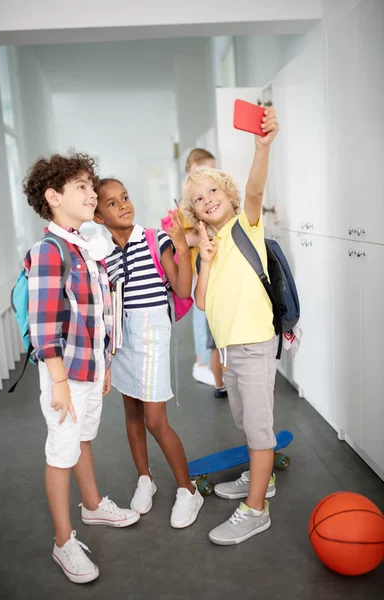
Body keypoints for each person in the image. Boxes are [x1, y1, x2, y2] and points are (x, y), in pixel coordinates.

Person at [23, 153, 139, 584]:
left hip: (90, 370)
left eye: (92, 186)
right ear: (53, 197)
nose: (92, 194)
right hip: (64, 376)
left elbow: (98, 312)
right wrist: (58, 382)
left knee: (83, 439)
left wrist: (104, 364)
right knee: (61, 452)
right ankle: (62, 541)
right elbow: (45, 324)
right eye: (81, 188)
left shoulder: (84, 246)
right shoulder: (49, 251)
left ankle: (92, 507)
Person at [181, 107, 280, 545]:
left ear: (229, 193)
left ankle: (256, 509)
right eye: (198, 199)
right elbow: (201, 302)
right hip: (231, 349)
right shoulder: (212, 244)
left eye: (212, 191)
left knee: (259, 429)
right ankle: (265, 480)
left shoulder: (246, 224)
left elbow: (256, 187)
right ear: (196, 213)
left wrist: (262, 148)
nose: (206, 200)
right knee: (244, 418)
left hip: (256, 343)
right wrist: (204, 259)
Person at [93, 178, 204, 528]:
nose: (123, 205)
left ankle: (188, 490)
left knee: (155, 419)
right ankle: (146, 478)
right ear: (98, 216)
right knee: (131, 411)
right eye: (112, 203)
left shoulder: (155, 240)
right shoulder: (104, 254)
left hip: (153, 335)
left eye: (125, 197)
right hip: (123, 338)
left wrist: (182, 247)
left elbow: (183, 288)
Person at [180, 149, 226, 398]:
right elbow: (185, 236)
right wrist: (206, 235)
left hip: (211, 267)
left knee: (209, 320)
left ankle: (208, 363)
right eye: (204, 169)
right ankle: (202, 363)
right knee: (203, 317)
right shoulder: (188, 203)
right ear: (191, 168)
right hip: (200, 270)